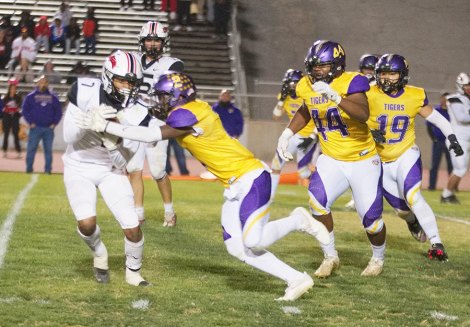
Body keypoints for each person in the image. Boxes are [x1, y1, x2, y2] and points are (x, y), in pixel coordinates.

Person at [75, 71, 331, 301]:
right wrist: (120, 118)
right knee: (236, 248)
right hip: (234, 185)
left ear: (177, 96)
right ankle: (296, 278)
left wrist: (107, 126)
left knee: (254, 239)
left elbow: (153, 134)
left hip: (251, 177)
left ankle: (298, 220)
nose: (160, 101)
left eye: (164, 96)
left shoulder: (187, 113)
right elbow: (150, 126)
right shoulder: (187, 111)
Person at [277, 40, 386, 278]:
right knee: (317, 204)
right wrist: (287, 133)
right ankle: (330, 256)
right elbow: (307, 108)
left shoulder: (353, 81)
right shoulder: (306, 84)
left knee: (371, 221)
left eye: (323, 66)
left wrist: (336, 97)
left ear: (336, 65)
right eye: (314, 66)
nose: (317, 71)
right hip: (332, 158)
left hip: (363, 160)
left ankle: (378, 258)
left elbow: (362, 113)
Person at [62, 50, 148, 286]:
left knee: (132, 227)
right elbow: (68, 136)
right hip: (78, 166)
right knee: (87, 224)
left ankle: (133, 272)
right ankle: (100, 253)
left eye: (133, 82)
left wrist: (110, 140)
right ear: (108, 77)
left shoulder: (137, 111)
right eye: (123, 80)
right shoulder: (84, 91)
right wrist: (89, 123)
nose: (128, 87)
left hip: (111, 169)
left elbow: (124, 164)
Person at [368, 54, 463, 260]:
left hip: (405, 154)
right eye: (383, 73)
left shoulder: (414, 95)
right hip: (379, 161)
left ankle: (436, 243)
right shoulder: (368, 93)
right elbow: (352, 118)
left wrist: (452, 138)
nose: (386, 78)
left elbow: (437, 118)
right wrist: (367, 130)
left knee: (412, 196)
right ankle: (412, 221)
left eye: (392, 73)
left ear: (402, 75)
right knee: (402, 211)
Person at [123, 21, 184, 227]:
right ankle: (138, 214)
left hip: (157, 120)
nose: (152, 44)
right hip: (134, 118)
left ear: (163, 43)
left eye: (157, 40)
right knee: (134, 168)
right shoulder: (133, 60)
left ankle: (169, 211)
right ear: (142, 41)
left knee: (158, 171)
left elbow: (177, 86)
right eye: (148, 40)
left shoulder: (170, 63)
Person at [270, 69, 318, 200]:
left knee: (303, 173)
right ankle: (269, 197)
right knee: (276, 165)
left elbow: (320, 116)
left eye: (295, 83)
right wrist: (281, 101)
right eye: (290, 83)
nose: (292, 86)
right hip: (292, 135)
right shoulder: (284, 96)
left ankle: (324, 187)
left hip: (308, 137)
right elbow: (276, 117)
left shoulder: (309, 94)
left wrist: (313, 136)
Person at [344, 54, 380, 210]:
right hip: (360, 128)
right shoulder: (355, 82)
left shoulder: (380, 85)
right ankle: (357, 198)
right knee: (357, 165)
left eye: (372, 69)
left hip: (379, 127)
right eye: (367, 69)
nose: (369, 72)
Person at [22, 75, 62, 174]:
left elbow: (58, 111)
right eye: (41, 81)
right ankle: (29, 169)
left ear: (47, 84)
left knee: (48, 151)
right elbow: (24, 110)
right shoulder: (31, 96)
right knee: (31, 150)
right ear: (38, 83)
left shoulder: (53, 97)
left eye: (45, 82)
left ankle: (48, 170)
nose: (43, 83)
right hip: (35, 128)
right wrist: (30, 122)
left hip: (48, 129)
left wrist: (54, 123)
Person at [441, 72, 470, 204]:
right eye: (467, 85)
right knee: (460, 169)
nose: (469, 88)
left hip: (466, 140)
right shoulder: (454, 99)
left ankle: (449, 194)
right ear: (460, 86)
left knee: (461, 169)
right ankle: (446, 195)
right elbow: (462, 118)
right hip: (458, 140)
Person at [427, 92, 453, 190]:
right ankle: (432, 186)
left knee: (451, 165)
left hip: (450, 143)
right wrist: (434, 138)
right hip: (438, 143)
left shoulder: (452, 112)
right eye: (443, 99)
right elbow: (429, 126)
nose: (444, 101)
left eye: (446, 100)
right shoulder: (436, 111)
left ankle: (452, 188)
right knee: (434, 165)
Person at [1, 78, 22, 158]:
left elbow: (20, 107)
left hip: (15, 117)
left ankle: (18, 151)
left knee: (16, 134)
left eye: (14, 88)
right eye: (11, 88)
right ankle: (4, 150)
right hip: (7, 117)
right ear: (9, 89)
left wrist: (17, 109)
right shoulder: (5, 98)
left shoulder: (18, 97)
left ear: (15, 89)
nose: (12, 90)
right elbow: (2, 108)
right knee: (6, 134)